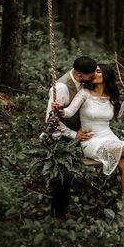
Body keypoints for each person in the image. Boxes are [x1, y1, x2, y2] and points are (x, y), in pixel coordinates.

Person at [52, 63, 124, 226]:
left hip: (108, 135)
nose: (93, 74)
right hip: (90, 139)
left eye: (97, 71)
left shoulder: (111, 95)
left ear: (105, 75)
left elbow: (119, 115)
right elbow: (69, 112)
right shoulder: (84, 93)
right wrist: (59, 110)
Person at [46, 56, 97, 219]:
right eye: (91, 75)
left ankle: (62, 211)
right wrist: (74, 134)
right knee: (61, 177)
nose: (93, 77)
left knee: (68, 177)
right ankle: (56, 215)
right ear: (80, 75)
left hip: (74, 136)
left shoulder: (82, 84)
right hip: (60, 137)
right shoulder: (61, 87)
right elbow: (50, 120)